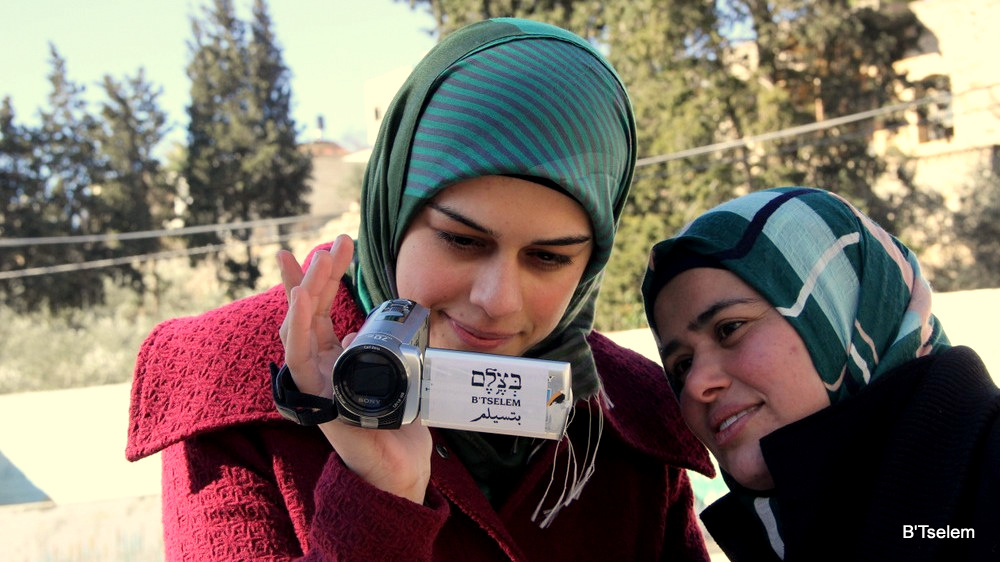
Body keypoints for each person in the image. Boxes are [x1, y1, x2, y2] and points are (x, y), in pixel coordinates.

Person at [127, 18, 713, 561]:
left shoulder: (629, 425)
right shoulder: (234, 392)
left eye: (548, 257)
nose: (497, 298)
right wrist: (379, 497)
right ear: (394, 211)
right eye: (462, 241)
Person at [641, 186, 1000, 561]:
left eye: (730, 328)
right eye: (681, 366)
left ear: (841, 310)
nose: (696, 385)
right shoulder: (779, 538)